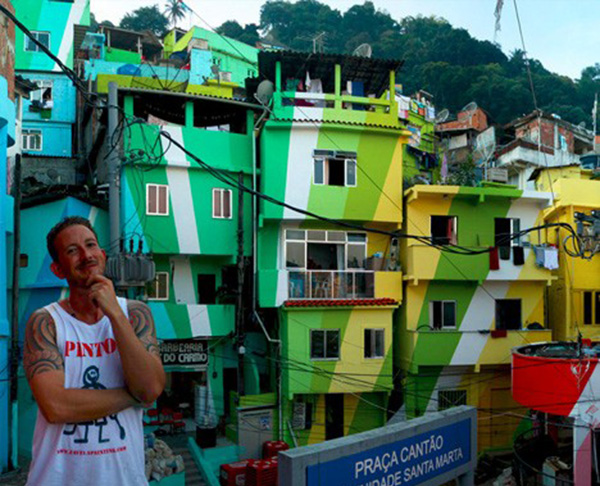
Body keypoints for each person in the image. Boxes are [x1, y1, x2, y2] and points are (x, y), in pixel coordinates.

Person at [24, 216, 165, 485]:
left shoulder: (135, 315)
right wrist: (133, 396)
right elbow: (56, 406)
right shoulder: (45, 322)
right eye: (72, 250)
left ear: (102, 255)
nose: (86, 255)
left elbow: (150, 388)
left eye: (90, 246)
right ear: (57, 269)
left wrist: (114, 315)